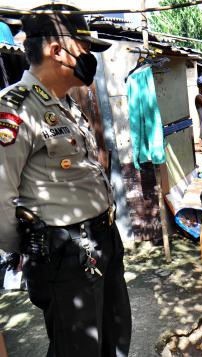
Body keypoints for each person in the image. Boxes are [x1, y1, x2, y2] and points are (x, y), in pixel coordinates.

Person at [0, 4, 131, 356]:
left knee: (115, 340)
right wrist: (39, 248)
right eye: (85, 47)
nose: (91, 57)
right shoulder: (15, 108)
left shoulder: (66, 105)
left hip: (102, 241)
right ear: (57, 50)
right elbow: (0, 200)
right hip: (65, 254)